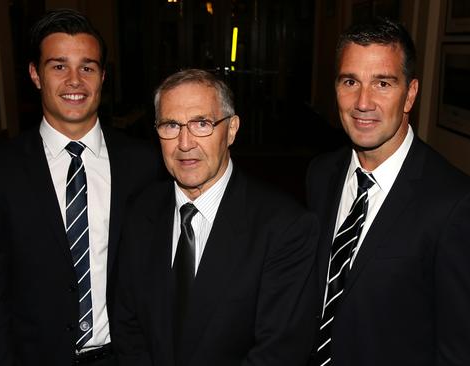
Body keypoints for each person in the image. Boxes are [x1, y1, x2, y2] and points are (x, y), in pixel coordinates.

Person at [0, 8, 163, 366]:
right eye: (59, 66)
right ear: (35, 74)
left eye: (87, 67)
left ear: (102, 77)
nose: (75, 80)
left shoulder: (143, 164)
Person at [306, 17, 470, 366]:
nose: (363, 102)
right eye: (351, 81)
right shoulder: (321, 174)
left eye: (382, 83)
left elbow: (462, 353)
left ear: (410, 94)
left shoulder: (457, 205)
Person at [112, 69, 319, 366]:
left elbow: (278, 352)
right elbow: (127, 325)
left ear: (232, 129)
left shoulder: (285, 227)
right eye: (171, 125)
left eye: (202, 124)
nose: (185, 143)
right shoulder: (141, 210)